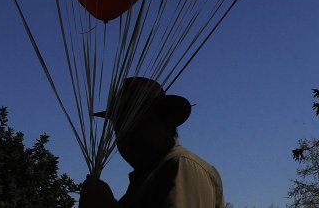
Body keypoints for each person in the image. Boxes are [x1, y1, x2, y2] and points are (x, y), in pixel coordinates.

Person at [79, 77, 224, 208]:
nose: (125, 134)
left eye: (135, 122)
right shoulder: (144, 181)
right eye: (119, 127)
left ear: (166, 122)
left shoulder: (182, 165)